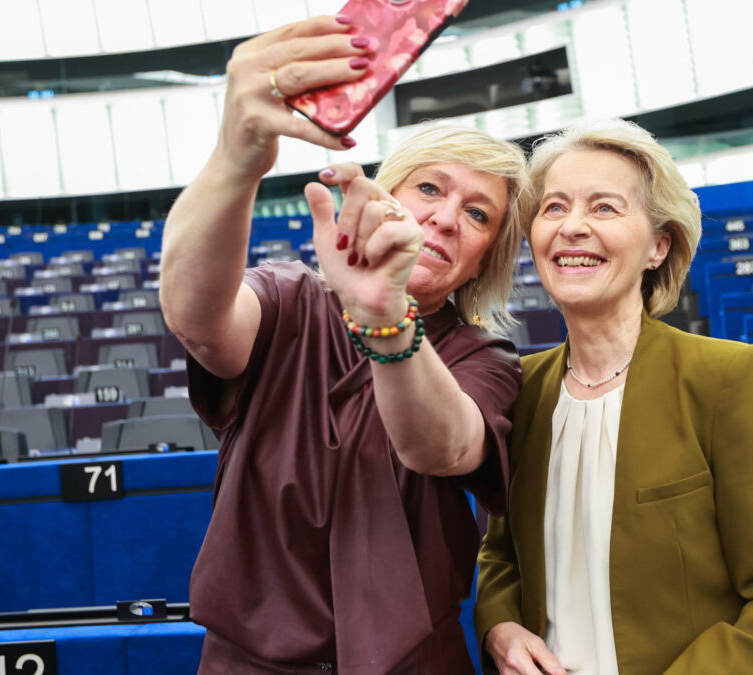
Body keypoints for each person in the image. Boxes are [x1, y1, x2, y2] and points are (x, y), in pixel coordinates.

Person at [158, 15, 533, 673]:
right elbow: (198, 320)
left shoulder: (484, 356)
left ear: (484, 261)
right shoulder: (288, 298)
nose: (446, 218)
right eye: (429, 188)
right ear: (384, 196)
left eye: (478, 214)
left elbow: (442, 445)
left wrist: (384, 315)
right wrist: (237, 158)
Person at [474, 119, 753, 675]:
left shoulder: (728, 378)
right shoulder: (519, 388)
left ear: (659, 247)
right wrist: (499, 627)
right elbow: (500, 554)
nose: (572, 227)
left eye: (604, 208)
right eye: (554, 207)